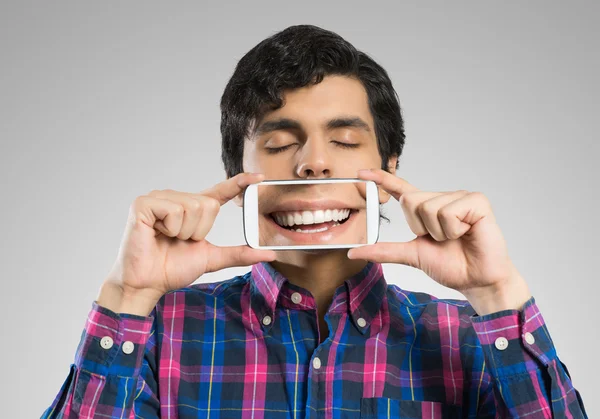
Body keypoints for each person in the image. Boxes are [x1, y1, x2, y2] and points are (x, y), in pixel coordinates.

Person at [42, 24, 587, 418]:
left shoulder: (469, 336)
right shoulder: (155, 331)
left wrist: (497, 292)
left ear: (390, 169)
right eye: (279, 143)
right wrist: (128, 293)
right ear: (237, 181)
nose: (312, 163)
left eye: (345, 141)